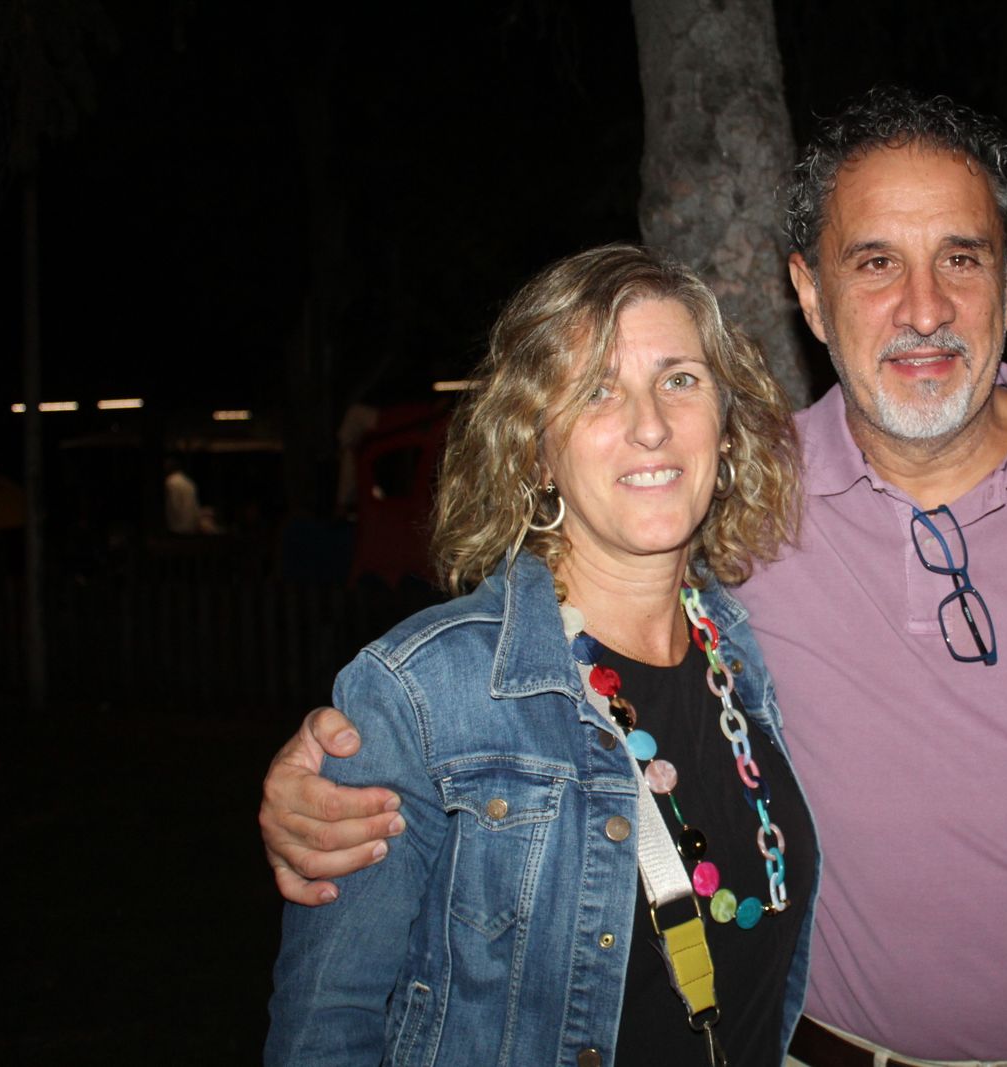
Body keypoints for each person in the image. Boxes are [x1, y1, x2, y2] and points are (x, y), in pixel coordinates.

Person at [262, 88, 1007, 1066]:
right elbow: (535, 644)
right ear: (808, 293)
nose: (921, 308)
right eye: (872, 263)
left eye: (959, 257)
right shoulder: (740, 502)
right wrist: (341, 761)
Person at [264, 244, 818, 1065]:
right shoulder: (425, 692)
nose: (651, 424)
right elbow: (327, 1028)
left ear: (726, 428)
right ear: (533, 447)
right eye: (598, 390)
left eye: (680, 379)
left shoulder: (742, 650)